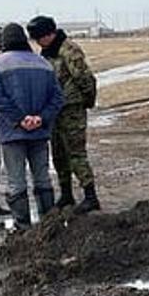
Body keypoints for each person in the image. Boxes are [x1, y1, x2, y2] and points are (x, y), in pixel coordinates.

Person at [0, 23, 66, 227]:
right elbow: (57, 97)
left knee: (16, 181)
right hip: (39, 132)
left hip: (11, 132)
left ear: (4, 42)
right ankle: (49, 224)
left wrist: (19, 119)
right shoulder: (43, 63)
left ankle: (23, 227)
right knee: (42, 178)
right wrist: (41, 118)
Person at [26, 15, 100, 213]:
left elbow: (85, 78)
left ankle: (90, 196)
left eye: (39, 37)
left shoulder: (69, 50)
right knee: (59, 154)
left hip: (71, 109)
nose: (37, 42)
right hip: (54, 111)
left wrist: (86, 101)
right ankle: (66, 194)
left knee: (76, 153)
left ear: (49, 34)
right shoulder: (47, 53)